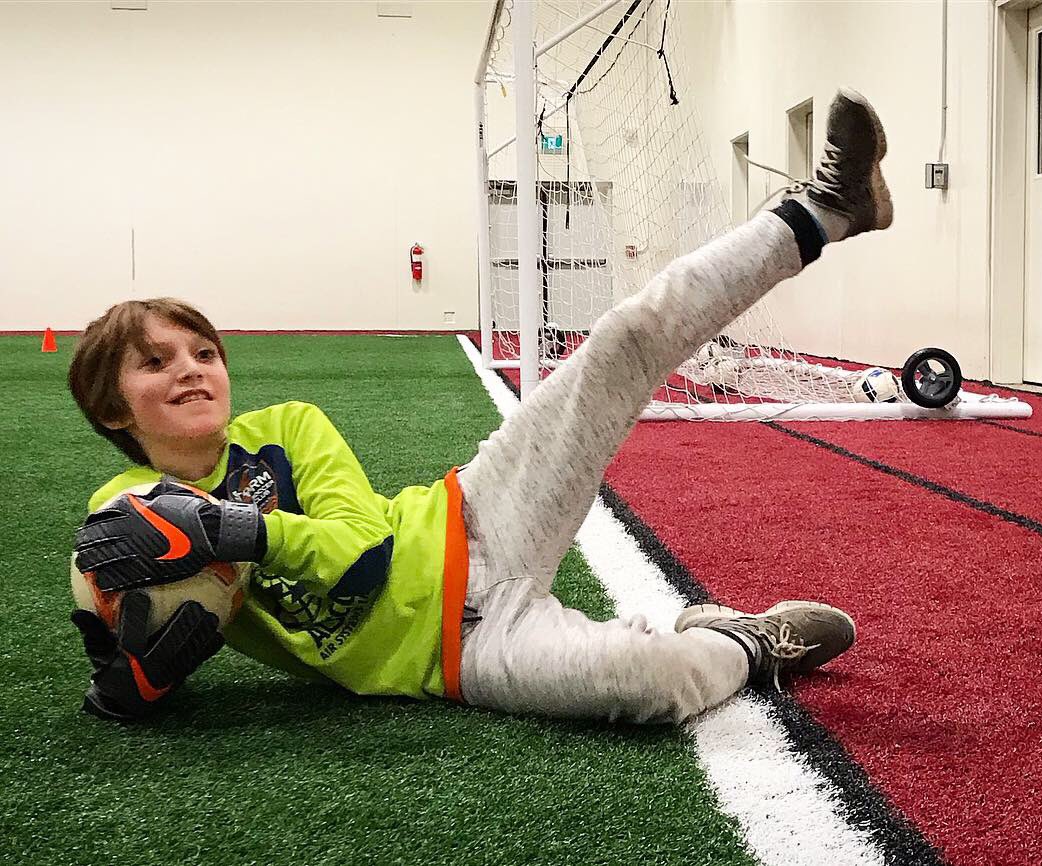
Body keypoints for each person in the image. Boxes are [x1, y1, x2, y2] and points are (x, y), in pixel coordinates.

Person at [68, 88, 891, 725]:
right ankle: (747, 640)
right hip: (461, 655)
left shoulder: (288, 429)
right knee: (656, 683)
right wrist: (130, 682)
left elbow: (364, 550)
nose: (192, 370)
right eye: (156, 362)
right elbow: (145, 639)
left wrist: (235, 532)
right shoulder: (127, 513)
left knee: (621, 340)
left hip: (476, 517)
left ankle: (827, 207)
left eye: (205, 352)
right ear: (112, 409)